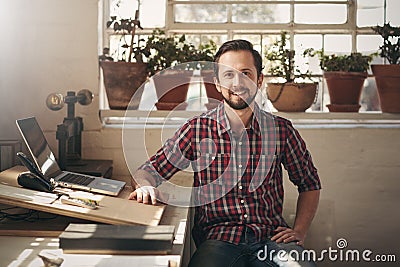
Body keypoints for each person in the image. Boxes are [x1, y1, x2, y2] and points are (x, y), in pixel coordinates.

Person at [129, 39, 321, 267]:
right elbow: (147, 172)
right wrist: (146, 186)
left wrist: (299, 230)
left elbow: (309, 183)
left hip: (270, 240)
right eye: (229, 75)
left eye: (246, 73)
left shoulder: (281, 130)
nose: (237, 82)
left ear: (259, 80)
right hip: (218, 241)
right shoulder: (197, 130)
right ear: (218, 84)